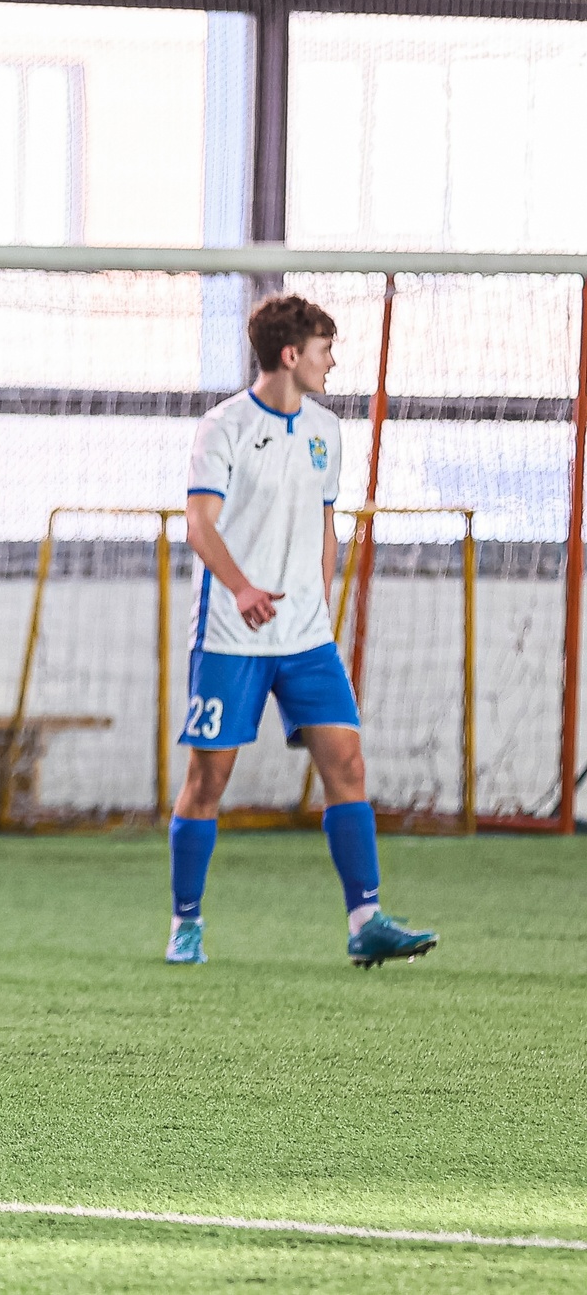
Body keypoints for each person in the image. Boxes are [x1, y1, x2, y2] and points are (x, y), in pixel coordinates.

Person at [167, 294, 439, 969]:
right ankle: (186, 923)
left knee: (346, 764)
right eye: (324, 349)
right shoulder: (222, 427)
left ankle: (366, 919)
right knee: (210, 777)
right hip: (232, 632)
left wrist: (321, 600)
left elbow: (324, 522)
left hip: (306, 637)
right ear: (291, 355)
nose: (332, 361)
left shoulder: (325, 429)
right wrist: (242, 588)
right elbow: (200, 524)